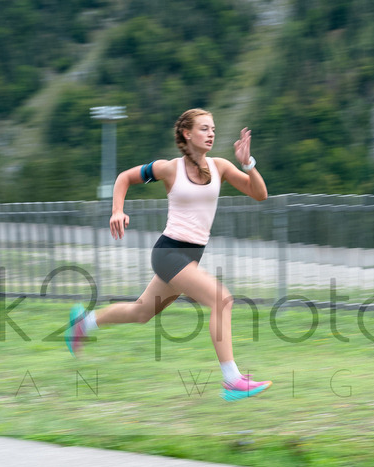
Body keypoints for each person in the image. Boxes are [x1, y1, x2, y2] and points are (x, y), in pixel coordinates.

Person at [66, 108, 272, 401]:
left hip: (191, 256)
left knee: (141, 313)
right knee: (221, 300)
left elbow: (259, 194)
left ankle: (84, 323)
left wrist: (248, 164)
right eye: (204, 128)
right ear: (187, 134)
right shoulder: (168, 169)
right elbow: (124, 178)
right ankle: (232, 380)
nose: (211, 134)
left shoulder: (221, 167)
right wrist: (117, 210)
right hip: (169, 252)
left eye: (213, 129)